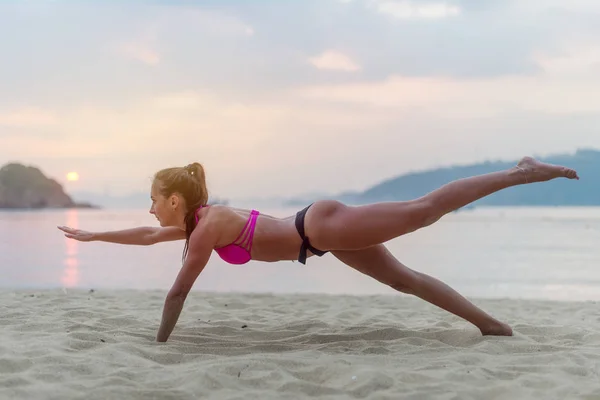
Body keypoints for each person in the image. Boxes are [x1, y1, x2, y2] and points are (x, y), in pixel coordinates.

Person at [58, 157, 579, 342]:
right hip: (318, 237)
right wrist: (93, 235)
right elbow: (149, 235)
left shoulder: (207, 228)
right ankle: (491, 324)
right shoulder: (201, 226)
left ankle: (521, 173)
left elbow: (176, 294)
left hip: (320, 226)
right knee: (405, 280)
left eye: (152, 201)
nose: (150, 211)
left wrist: (160, 345)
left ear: (175, 199)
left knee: (423, 210)